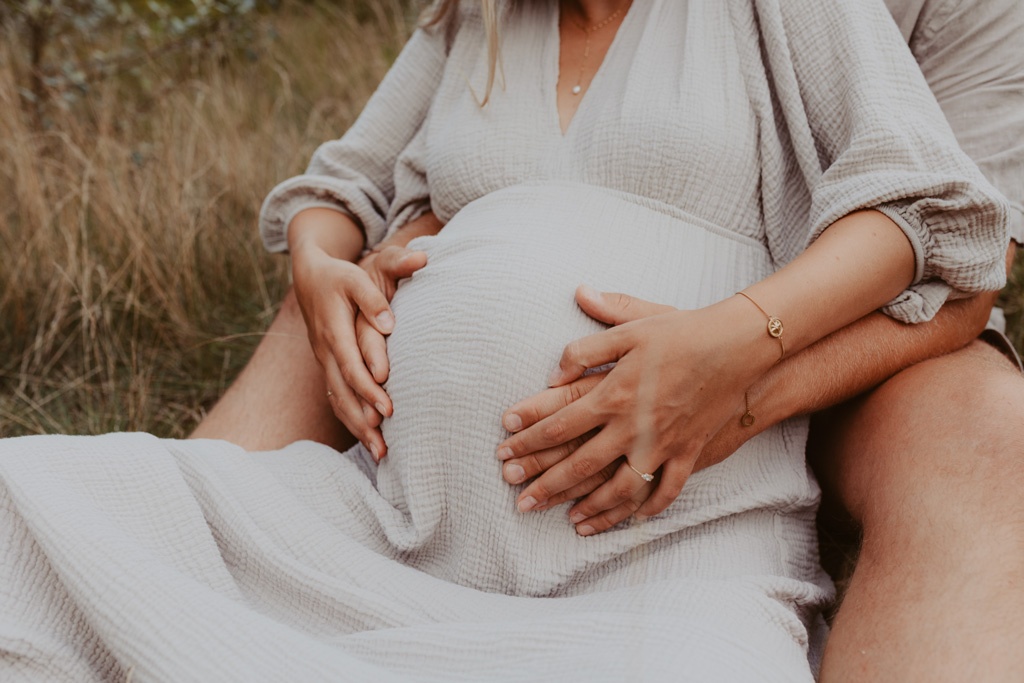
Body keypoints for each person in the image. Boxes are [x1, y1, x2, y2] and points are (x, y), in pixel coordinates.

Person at [0, 0, 1010, 681]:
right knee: (22, 505)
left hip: (661, 556)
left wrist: (735, 344)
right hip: (390, 526)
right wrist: (320, 263)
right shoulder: (476, 18)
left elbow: (935, 213)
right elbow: (340, 184)